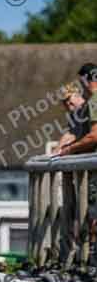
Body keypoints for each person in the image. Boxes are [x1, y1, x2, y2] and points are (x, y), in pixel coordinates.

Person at [56, 65, 97, 265]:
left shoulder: (91, 104)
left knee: (91, 215)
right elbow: (71, 133)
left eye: (69, 101)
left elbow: (93, 136)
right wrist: (60, 148)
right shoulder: (78, 112)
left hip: (90, 165)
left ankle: (88, 262)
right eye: (65, 104)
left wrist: (68, 149)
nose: (68, 106)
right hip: (86, 166)